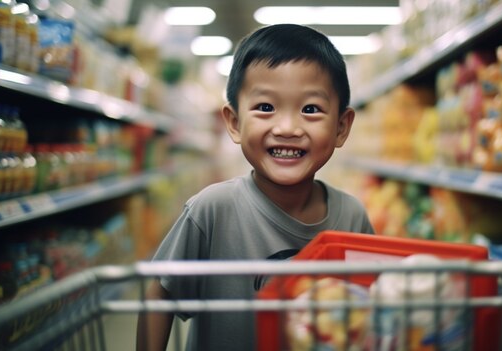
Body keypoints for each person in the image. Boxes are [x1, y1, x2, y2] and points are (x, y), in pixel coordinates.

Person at [136, 23, 375, 351]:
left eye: (310, 109)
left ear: (341, 127)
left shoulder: (352, 217)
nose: (288, 128)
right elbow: (161, 292)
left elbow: (367, 307)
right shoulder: (212, 209)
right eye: (265, 107)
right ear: (234, 123)